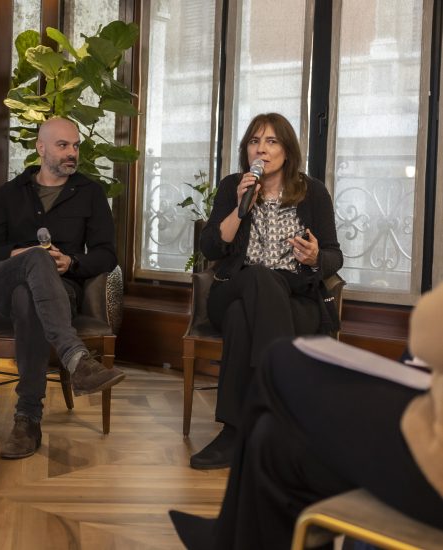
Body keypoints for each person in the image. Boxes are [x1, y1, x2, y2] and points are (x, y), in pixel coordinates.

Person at [170, 283, 443, 549]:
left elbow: (427, 328)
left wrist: (313, 259)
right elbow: (214, 252)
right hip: (428, 418)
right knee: (273, 439)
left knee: (277, 357)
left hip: (433, 456)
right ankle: (229, 535)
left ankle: (224, 534)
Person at [190, 113, 343, 470]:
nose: (262, 148)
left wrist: (317, 255)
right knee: (259, 276)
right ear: (246, 150)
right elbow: (211, 249)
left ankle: (234, 433)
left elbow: (335, 255)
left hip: (294, 298)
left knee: (244, 323)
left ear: (287, 151)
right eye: (255, 141)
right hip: (236, 287)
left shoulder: (313, 192)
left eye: (272, 141)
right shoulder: (233, 186)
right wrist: (240, 207)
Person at [0, 117, 126, 459]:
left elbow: (107, 254)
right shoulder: (10, 194)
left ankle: (27, 420)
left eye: (76, 146)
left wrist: (71, 263)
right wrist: (23, 254)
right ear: (41, 148)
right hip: (2, 286)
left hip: (60, 291)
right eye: (63, 145)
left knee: (30, 299)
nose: (72, 152)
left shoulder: (91, 193)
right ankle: (77, 359)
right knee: (35, 261)